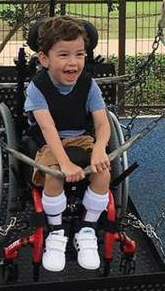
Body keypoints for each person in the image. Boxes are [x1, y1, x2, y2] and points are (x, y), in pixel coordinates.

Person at [24, 16, 111, 273]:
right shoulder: (37, 87)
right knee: (55, 175)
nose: (73, 62)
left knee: (103, 173)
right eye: (63, 55)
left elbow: (103, 124)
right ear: (44, 59)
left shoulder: (88, 84)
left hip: (82, 138)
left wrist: (98, 150)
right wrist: (64, 163)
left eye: (80, 55)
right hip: (50, 141)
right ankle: (56, 231)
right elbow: (48, 129)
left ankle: (87, 228)